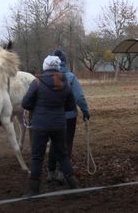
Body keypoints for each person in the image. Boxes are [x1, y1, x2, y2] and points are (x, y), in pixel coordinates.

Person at [21, 55, 79, 197]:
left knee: (37, 157)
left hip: (40, 126)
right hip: (59, 125)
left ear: (45, 66)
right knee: (63, 156)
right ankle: (75, 188)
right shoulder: (65, 83)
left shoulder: (37, 82)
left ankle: (34, 191)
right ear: (58, 67)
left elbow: (25, 103)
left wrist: (38, 107)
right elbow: (71, 106)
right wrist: (58, 109)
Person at [47, 49, 90, 183]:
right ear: (64, 61)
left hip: (51, 117)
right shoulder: (70, 77)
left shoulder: (46, 77)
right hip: (69, 116)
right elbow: (79, 97)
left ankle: (51, 171)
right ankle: (62, 172)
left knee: (54, 144)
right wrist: (85, 111)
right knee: (66, 144)